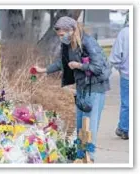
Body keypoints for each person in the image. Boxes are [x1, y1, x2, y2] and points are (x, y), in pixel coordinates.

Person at [34, 16, 111, 162]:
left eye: (62, 35)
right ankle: (80, 155)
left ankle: (89, 157)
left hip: (94, 87)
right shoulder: (68, 44)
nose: (61, 38)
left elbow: (98, 67)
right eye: (59, 36)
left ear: (71, 30)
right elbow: (62, 63)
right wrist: (43, 70)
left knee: (90, 124)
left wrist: (79, 66)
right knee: (80, 123)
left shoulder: (88, 42)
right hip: (81, 87)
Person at [109, 24, 129, 140]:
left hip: (128, 75)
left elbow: (116, 55)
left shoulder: (125, 32)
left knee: (127, 103)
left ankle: (125, 129)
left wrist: (116, 67)